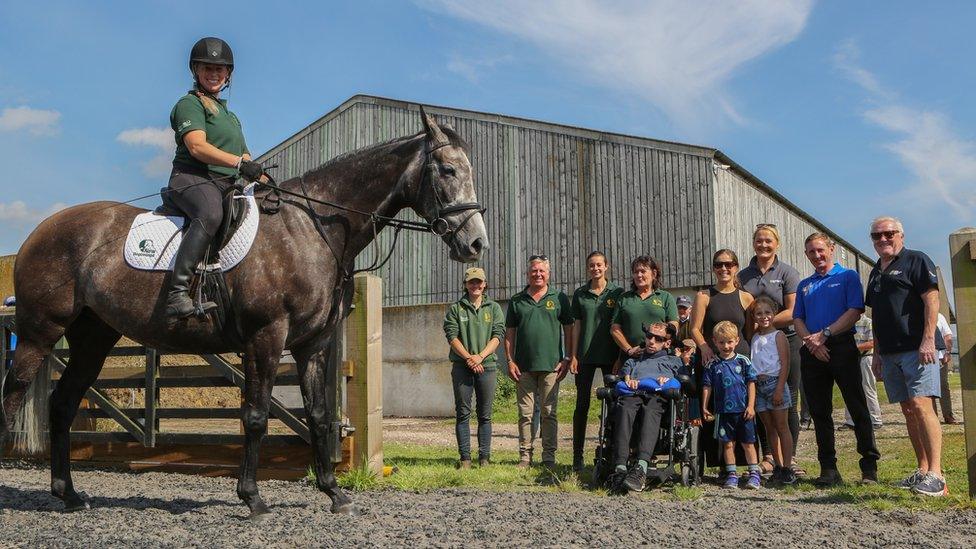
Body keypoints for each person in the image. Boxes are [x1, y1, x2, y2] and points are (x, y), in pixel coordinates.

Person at [164, 37, 265, 319]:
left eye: (220, 69)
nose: (214, 73)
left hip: (225, 184)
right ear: (196, 70)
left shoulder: (231, 118)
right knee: (210, 214)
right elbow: (197, 147)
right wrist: (237, 162)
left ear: (228, 75)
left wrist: (265, 179)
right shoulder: (189, 104)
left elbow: (246, 158)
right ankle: (178, 293)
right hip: (191, 178)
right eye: (207, 67)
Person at [866, 217, 945, 496]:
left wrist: (927, 340)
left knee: (923, 406)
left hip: (917, 348)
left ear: (901, 234)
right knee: (908, 410)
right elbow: (876, 313)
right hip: (889, 352)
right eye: (877, 235)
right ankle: (922, 470)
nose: (883, 239)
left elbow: (931, 299)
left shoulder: (916, 260)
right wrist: (876, 352)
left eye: (889, 233)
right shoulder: (876, 271)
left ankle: (937, 475)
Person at [794, 232, 879, 487]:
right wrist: (812, 341)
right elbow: (797, 318)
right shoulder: (804, 285)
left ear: (831, 249)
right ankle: (828, 469)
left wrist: (826, 334)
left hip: (841, 346)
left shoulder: (847, 276)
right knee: (820, 412)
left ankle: (869, 468)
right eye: (811, 252)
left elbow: (855, 311)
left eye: (820, 250)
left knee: (857, 407)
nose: (817, 255)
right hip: (812, 350)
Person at [739, 223, 806, 475]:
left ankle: (791, 457)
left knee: (787, 399)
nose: (763, 245)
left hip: (785, 340)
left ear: (777, 244)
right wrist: (754, 331)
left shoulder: (787, 272)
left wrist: (764, 323)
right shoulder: (743, 276)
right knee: (761, 403)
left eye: (768, 241)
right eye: (759, 240)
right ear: (753, 243)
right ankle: (769, 455)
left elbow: (792, 311)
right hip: (756, 343)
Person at [505, 255, 574, 469]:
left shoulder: (559, 298)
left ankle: (549, 458)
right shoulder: (517, 301)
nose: (538, 274)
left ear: (548, 274)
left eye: (542, 271)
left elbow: (569, 329)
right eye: (534, 271)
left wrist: (567, 357)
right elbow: (509, 334)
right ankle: (525, 457)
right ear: (528, 274)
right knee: (525, 414)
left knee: (549, 414)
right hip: (523, 368)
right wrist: (510, 360)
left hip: (551, 367)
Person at [690, 249, 754, 471]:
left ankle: (746, 464)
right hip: (712, 363)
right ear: (713, 268)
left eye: (728, 264)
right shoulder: (704, 296)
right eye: (719, 264)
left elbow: (751, 332)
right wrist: (705, 347)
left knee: (741, 411)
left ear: (736, 267)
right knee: (715, 413)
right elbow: (694, 329)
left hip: (738, 365)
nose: (724, 269)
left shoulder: (746, 297)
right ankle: (719, 465)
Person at [611, 322, 685, 492]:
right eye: (649, 336)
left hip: (658, 397)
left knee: (651, 408)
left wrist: (670, 382)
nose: (651, 341)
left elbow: (684, 382)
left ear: (667, 343)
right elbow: (624, 378)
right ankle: (620, 468)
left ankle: (641, 468)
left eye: (658, 339)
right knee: (625, 407)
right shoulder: (634, 360)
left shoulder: (673, 361)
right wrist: (628, 380)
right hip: (633, 395)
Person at [443, 267, 505, 469]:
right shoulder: (456, 309)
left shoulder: (493, 308)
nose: (476, 285)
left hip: (487, 367)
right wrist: (470, 358)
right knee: (463, 413)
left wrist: (480, 357)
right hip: (462, 366)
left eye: (479, 282)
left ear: (485, 284)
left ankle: (484, 458)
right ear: (465, 285)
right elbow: (452, 336)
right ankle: (465, 459)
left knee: (485, 414)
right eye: (472, 282)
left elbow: (497, 335)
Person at [569, 251, 623, 471]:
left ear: (606, 267)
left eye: (599, 265)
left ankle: (611, 453)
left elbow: (621, 325)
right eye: (592, 265)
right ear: (588, 268)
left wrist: (621, 356)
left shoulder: (617, 293)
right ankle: (577, 457)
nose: (595, 269)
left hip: (610, 356)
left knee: (614, 404)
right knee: (582, 405)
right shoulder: (580, 294)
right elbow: (577, 326)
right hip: (585, 356)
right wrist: (572, 355)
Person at [701, 321, 760, 489]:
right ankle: (732, 474)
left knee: (748, 443)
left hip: (743, 411)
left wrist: (751, 405)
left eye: (729, 342)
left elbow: (751, 383)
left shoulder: (743, 361)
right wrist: (705, 406)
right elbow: (707, 386)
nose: (726, 346)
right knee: (727, 444)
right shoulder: (712, 364)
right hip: (723, 412)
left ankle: (754, 474)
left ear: (736, 341)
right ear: (714, 341)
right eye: (721, 342)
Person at [749, 297, 796, 485]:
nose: (764, 317)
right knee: (769, 428)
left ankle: (787, 466)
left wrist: (778, 389)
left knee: (781, 426)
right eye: (759, 313)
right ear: (754, 316)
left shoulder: (779, 336)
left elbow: (785, 363)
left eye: (767, 312)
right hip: (759, 386)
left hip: (775, 383)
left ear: (774, 314)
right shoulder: (754, 337)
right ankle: (777, 465)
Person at [610, 256, 678, 368]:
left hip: (658, 358)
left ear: (654, 274)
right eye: (636, 272)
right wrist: (629, 350)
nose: (639, 275)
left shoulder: (665, 297)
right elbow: (615, 329)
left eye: (643, 271)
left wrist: (655, 345)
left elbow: (673, 327)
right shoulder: (624, 298)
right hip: (630, 358)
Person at [840, 314, 883, 430]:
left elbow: (872, 343)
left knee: (868, 389)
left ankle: (875, 419)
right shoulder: (847, 323)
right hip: (851, 358)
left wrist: (853, 347)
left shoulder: (868, 322)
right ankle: (851, 421)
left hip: (866, 358)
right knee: (849, 390)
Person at [934, 313, 957, 424]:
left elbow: (947, 336)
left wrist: (947, 352)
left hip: (940, 357)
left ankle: (948, 415)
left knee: (943, 386)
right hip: (922, 357)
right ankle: (932, 417)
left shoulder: (939, 316)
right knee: (927, 390)